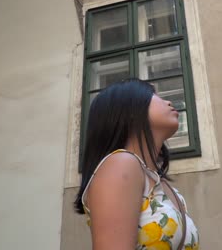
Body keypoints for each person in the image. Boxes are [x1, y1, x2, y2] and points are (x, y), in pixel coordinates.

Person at [74, 78, 199, 250]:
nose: (168, 102)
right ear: (130, 109)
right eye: (153, 95)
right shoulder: (121, 164)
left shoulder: (162, 185)